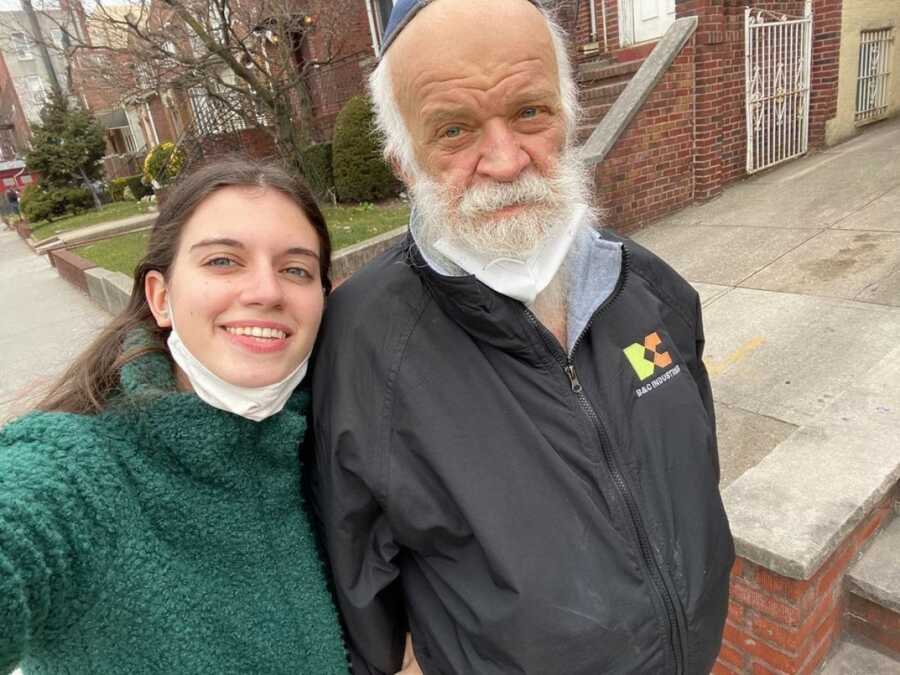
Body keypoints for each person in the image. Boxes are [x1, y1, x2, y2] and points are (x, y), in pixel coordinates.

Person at [310, 1, 734, 674]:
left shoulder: (648, 286)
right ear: (402, 159)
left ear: (568, 117)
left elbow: (694, 478)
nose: (506, 161)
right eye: (454, 129)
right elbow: (361, 612)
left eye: (531, 112)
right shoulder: (363, 346)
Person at [0, 158, 350, 674]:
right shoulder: (77, 476)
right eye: (223, 261)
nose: (266, 292)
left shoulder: (342, 443)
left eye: (295, 269)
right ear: (161, 298)